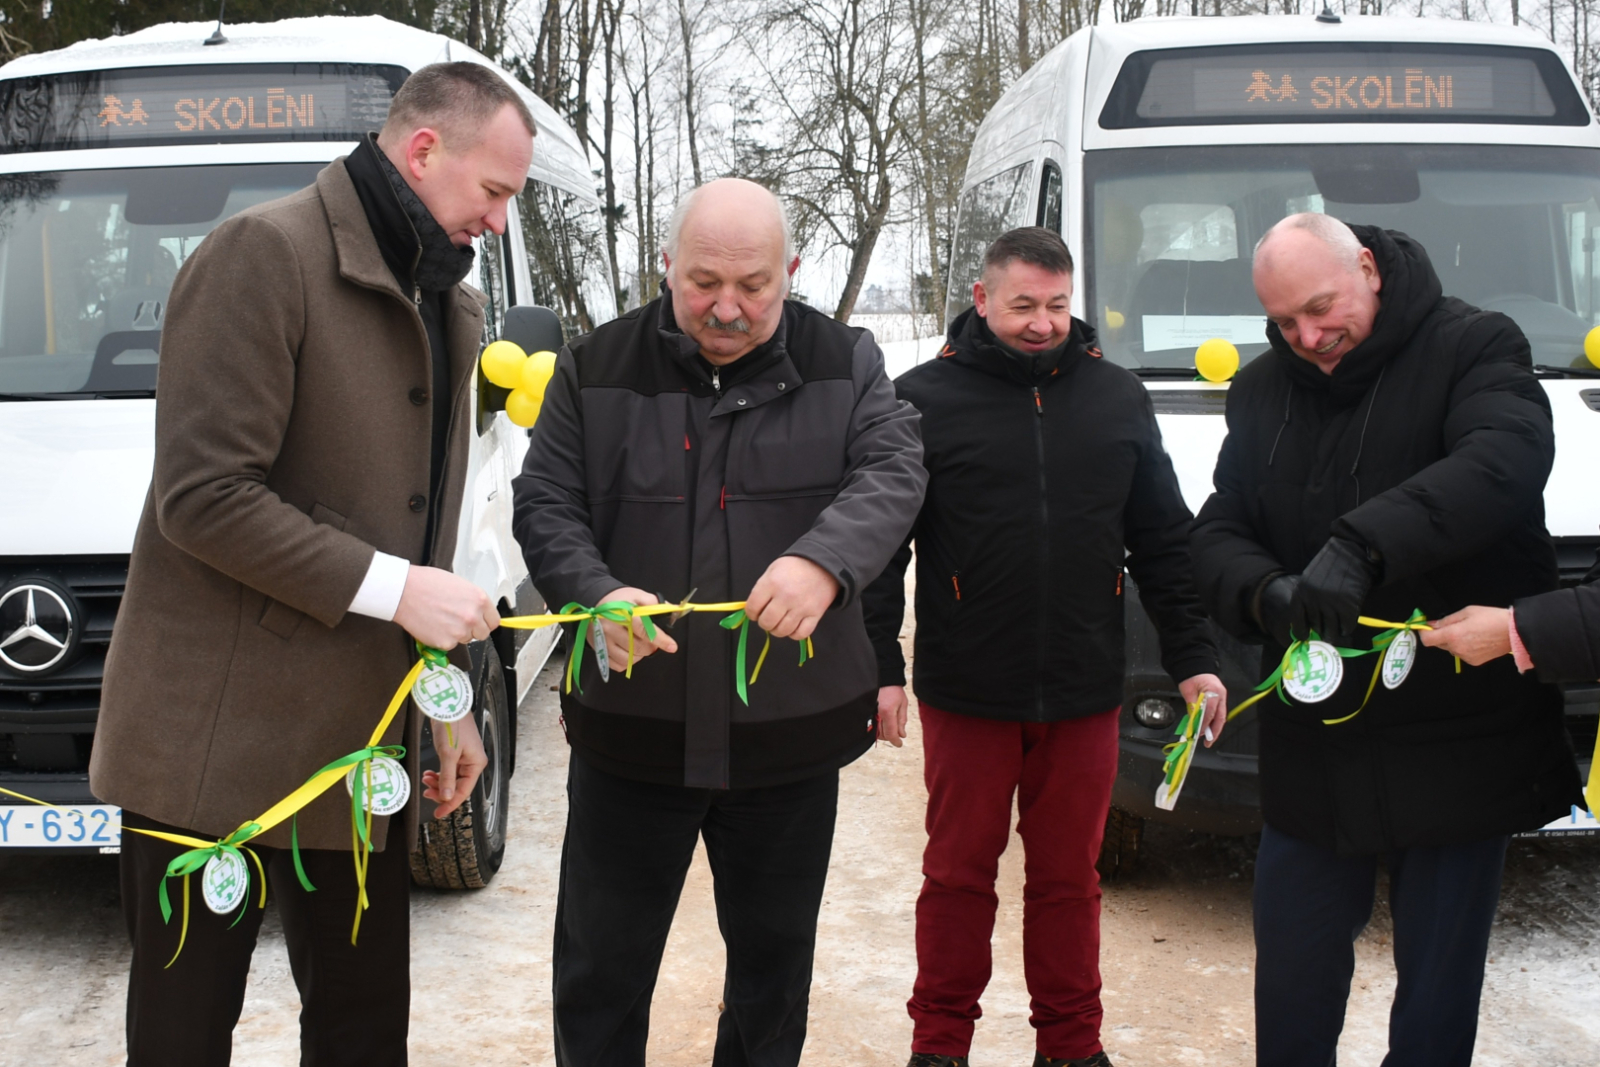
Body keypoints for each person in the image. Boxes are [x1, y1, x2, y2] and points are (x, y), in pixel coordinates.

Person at [89, 63, 533, 1065]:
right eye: (494, 192)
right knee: (182, 1035)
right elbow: (203, 496)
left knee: (365, 1030)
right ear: (425, 152)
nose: (499, 223)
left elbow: (430, 537)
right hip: (207, 749)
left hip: (356, 749)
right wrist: (396, 588)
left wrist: (449, 699)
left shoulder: (451, 309)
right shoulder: (262, 254)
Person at [510, 177, 926, 1067]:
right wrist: (591, 591)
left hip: (788, 738)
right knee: (600, 976)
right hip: (632, 732)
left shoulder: (845, 360)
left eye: (754, 286)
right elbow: (545, 499)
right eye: (703, 282)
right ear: (665, 264)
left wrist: (826, 560)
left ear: (792, 271)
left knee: (772, 983)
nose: (727, 307)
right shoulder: (597, 366)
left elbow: (894, 470)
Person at [1191, 213, 1583, 1067]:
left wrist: (1362, 544)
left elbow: (1503, 462)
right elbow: (1219, 528)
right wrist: (1266, 590)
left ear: (1367, 267)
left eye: (1322, 308)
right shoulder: (1262, 389)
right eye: (1285, 322)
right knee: (1292, 979)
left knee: (1437, 997)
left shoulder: (1476, 346)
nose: (1308, 335)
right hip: (1316, 744)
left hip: (1457, 741)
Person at [860, 226, 1226, 1067]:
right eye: (1023, 304)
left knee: (1070, 881)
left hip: (1083, 688)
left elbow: (1165, 543)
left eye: (1057, 305)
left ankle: (1071, 1046)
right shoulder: (922, 400)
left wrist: (1195, 656)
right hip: (968, 692)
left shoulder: (1118, 399)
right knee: (958, 876)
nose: (1042, 322)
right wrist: (883, 669)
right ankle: (940, 1045)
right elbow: (882, 552)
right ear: (982, 300)